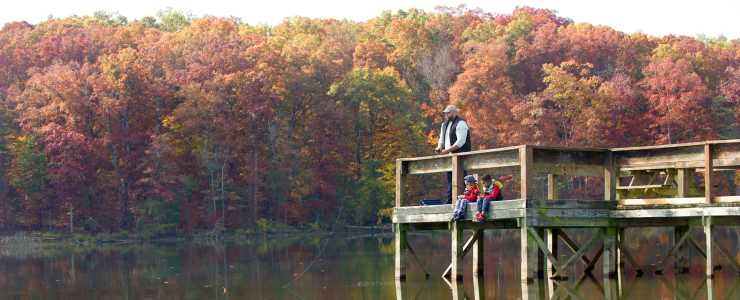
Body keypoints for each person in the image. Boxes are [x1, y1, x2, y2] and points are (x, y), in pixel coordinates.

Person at [435, 104, 472, 204]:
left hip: (461, 157)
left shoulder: (461, 124)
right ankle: (451, 202)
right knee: (450, 181)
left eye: (448, 112)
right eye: (445, 113)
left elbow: (460, 142)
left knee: (463, 181)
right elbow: (441, 139)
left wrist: (447, 151)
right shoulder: (444, 125)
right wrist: (439, 147)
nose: (446, 114)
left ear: (455, 112)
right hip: (450, 157)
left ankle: (464, 201)